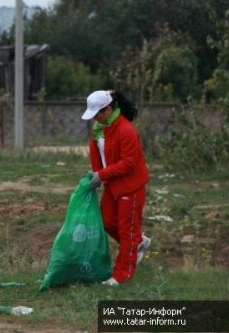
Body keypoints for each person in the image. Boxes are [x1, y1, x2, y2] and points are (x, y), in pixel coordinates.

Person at [82, 90, 151, 286]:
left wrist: (102, 175)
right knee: (106, 221)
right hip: (113, 186)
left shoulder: (126, 130)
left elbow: (129, 163)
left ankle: (122, 275)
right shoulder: (100, 129)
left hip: (131, 187)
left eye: (98, 113)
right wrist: (95, 175)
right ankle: (137, 243)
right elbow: (99, 155)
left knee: (127, 230)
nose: (95, 118)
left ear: (109, 109)